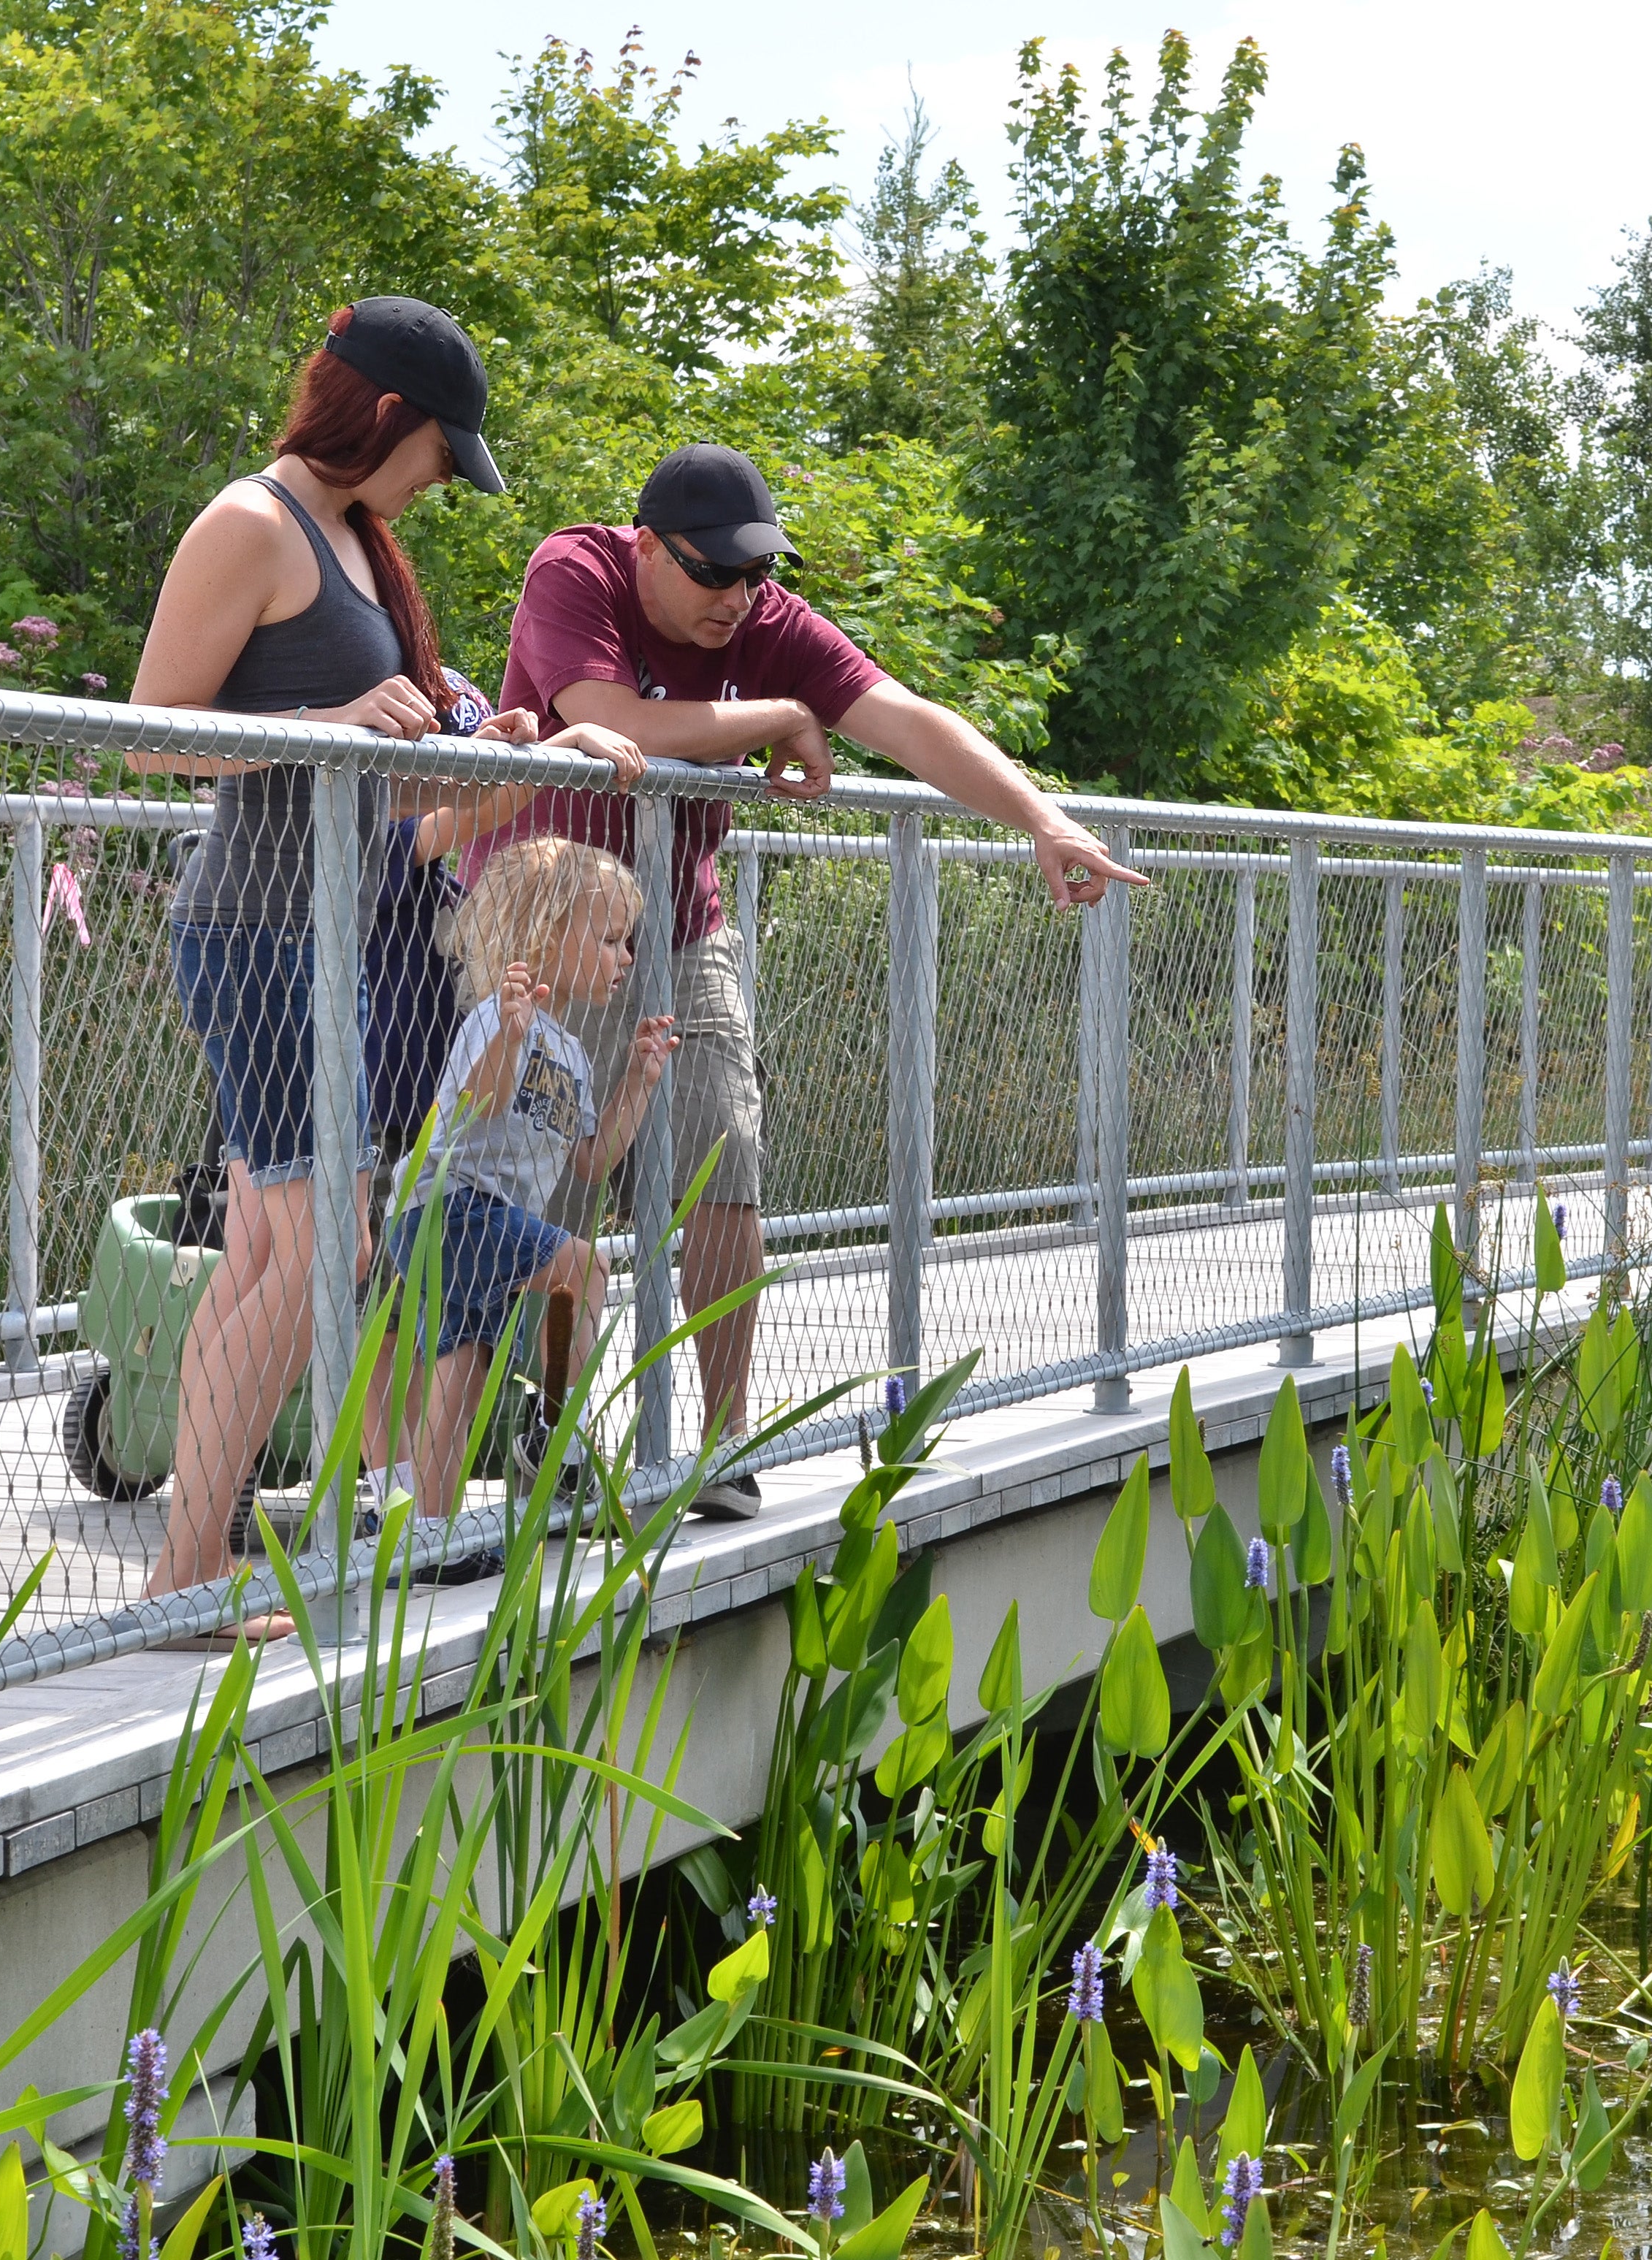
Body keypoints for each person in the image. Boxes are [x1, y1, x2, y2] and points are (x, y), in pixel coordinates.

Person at [480, 442, 1144, 1519]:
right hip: (541, 924)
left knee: (724, 1162)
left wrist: (1045, 819)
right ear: (649, 547)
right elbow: (620, 725)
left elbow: (907, 718)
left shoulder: (768, 620)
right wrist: (783, 717)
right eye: (713, 576)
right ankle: (538, 1438)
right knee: (538, 1183)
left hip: (679, 924)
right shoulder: (578, 571)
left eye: (755, 577)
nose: (739, 601)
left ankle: (722, 1443)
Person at [127, 294, 642, 1596]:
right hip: (257, 931)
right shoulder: (254, 522)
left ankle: (189, 1555)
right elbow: (148, 736)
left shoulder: (357, 546)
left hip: (326, 935)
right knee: (323, 1255)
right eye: (436, 458)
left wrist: (523, 746)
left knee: (263, 1252)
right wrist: (340, 716)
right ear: (391, 416)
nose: (435, 488)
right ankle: (183, 1579)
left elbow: (402, 802)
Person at [381, 837, 677, 1516]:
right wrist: (509, 1041)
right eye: (609, 940)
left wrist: (638, 1080)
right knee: (586, 1268)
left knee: (463, 1376)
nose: (625, 959)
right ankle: (555, 1437)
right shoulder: (498, 1018)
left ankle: (434, 1533)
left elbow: (593, 1160)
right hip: (448, 1210)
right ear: (548, 934)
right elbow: (465, 1110)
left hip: (484, 1224)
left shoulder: (570, 1053)